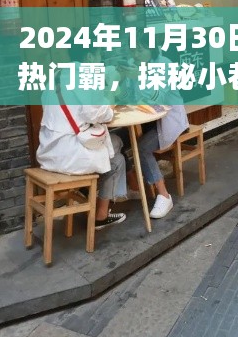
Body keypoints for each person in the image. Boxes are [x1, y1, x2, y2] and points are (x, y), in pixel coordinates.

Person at [36, 45, 127, 230]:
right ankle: (100, 216)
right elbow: (99, 114)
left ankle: (89, 192)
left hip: (49, 152)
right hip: (72, 157)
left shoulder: (56, 76)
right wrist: (111, 92)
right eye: (99, 55)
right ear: (90, 56)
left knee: (115, 143)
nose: (100, 60)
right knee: (117, 160)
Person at [117, 33, 189, 218]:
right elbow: (129, 98)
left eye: (140, 50)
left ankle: (164, 195)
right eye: (133, 50)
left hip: (168, 120)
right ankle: (135, 185)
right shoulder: (135, 65)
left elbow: (158, 98)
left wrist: (140, 76)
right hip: (144, 120)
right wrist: (122, 80)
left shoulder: (165, 65)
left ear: (151, 49)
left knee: (142, 148)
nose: (135, 54)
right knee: (115, 141)